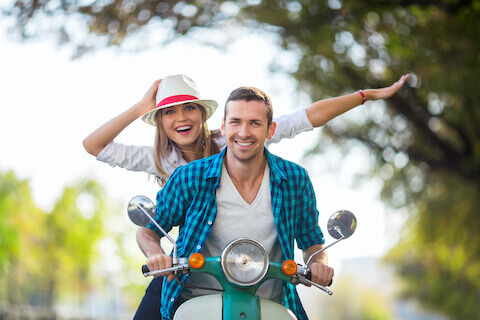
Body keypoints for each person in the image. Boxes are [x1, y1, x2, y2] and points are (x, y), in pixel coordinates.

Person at [82, 73, 410, 319]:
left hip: (259, 275)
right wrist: (142, 107)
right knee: (161, 301)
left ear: (208, 118)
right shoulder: (165, 163)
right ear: (160, 121)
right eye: (168, 112)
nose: (181, 117)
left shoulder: (237, 139)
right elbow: (95, 147)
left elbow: (307, 118)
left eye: (189, 109)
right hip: (189, 269)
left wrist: (366, 95)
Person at [140, 86, 334, 320]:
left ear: (270, 129)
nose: (244, 132)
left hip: (267, 305)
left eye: (254, 123)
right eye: (235, 122)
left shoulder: (295, 179)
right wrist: (156, 254)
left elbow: (312, 242)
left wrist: (319, 264)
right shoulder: (189, 177)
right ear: (223, 127)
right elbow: (148, 230)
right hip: (195, 302)